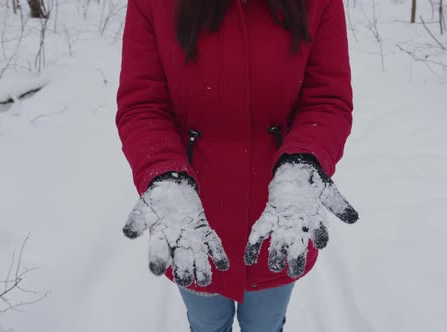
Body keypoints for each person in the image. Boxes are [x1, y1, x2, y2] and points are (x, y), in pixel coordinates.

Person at [115, 0, 358, 331]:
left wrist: (305, 158)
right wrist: (163, 170)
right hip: (193, 224)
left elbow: (326, 99)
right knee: (206, 323)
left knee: (266, 324)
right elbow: (143, 104)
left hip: (279, 221)